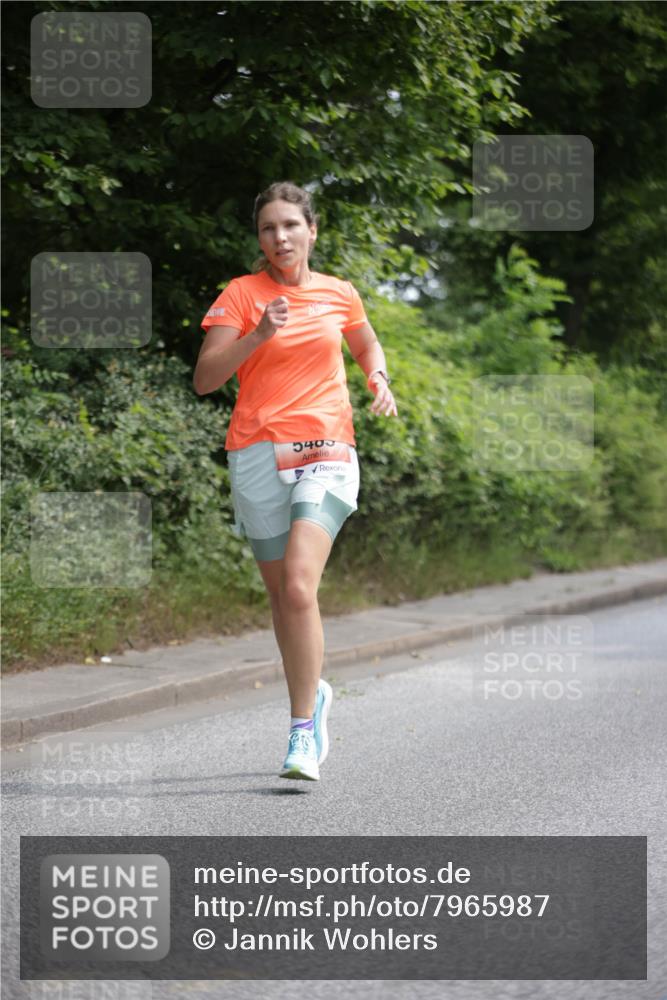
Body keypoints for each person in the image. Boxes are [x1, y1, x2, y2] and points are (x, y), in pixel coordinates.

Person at [194, 180, 398, 781]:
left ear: (312, 230)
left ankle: (302, 729)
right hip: (256, 451)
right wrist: (259, 334)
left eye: (290, 225)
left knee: (302, 587)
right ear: (259, 238)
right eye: (268, 228)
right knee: (282, 595)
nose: (280, 237)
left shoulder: (340, 293)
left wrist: (378, 376)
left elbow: (365, 341)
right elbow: (206, 379)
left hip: (327, 447)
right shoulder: (240, 295)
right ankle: (316, 694)